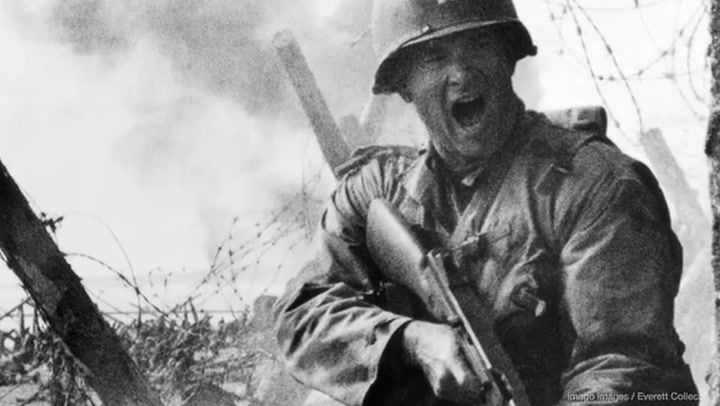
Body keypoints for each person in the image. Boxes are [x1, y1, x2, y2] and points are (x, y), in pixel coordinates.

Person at [273, 0, 698, 405]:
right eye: (434, 58)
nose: (461, 74)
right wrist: (410, 341)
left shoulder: (595, 183)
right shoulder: (375, 191)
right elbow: (301, 313)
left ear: (508, 57)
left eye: (477, 46)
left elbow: (628, 365)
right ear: (404, 84)